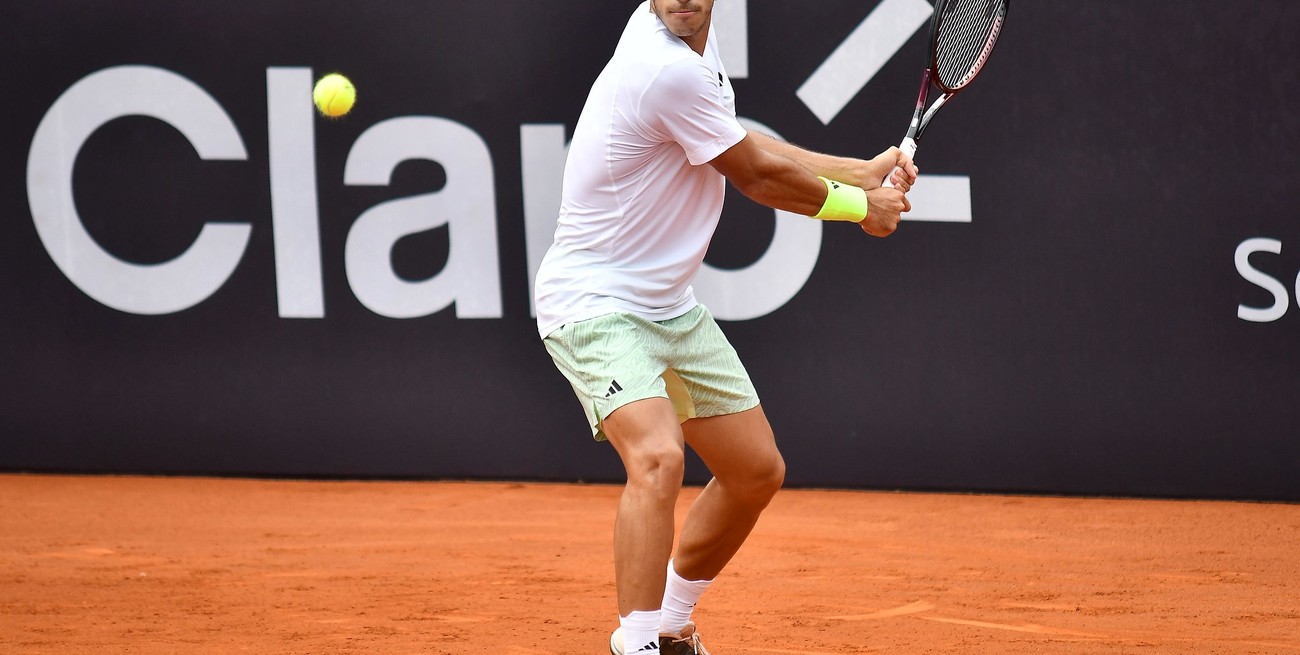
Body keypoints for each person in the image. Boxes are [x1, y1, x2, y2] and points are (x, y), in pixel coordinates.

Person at [533, 1, 918, 653]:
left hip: (669, 308)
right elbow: (756, 175)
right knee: (657, 456)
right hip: (593, 303)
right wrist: (861, 207)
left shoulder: (690, 50)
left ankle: (674, 621)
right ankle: (636, 641)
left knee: (755, 470)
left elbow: (741, 140)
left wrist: (855, 170)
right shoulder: (663, 65)